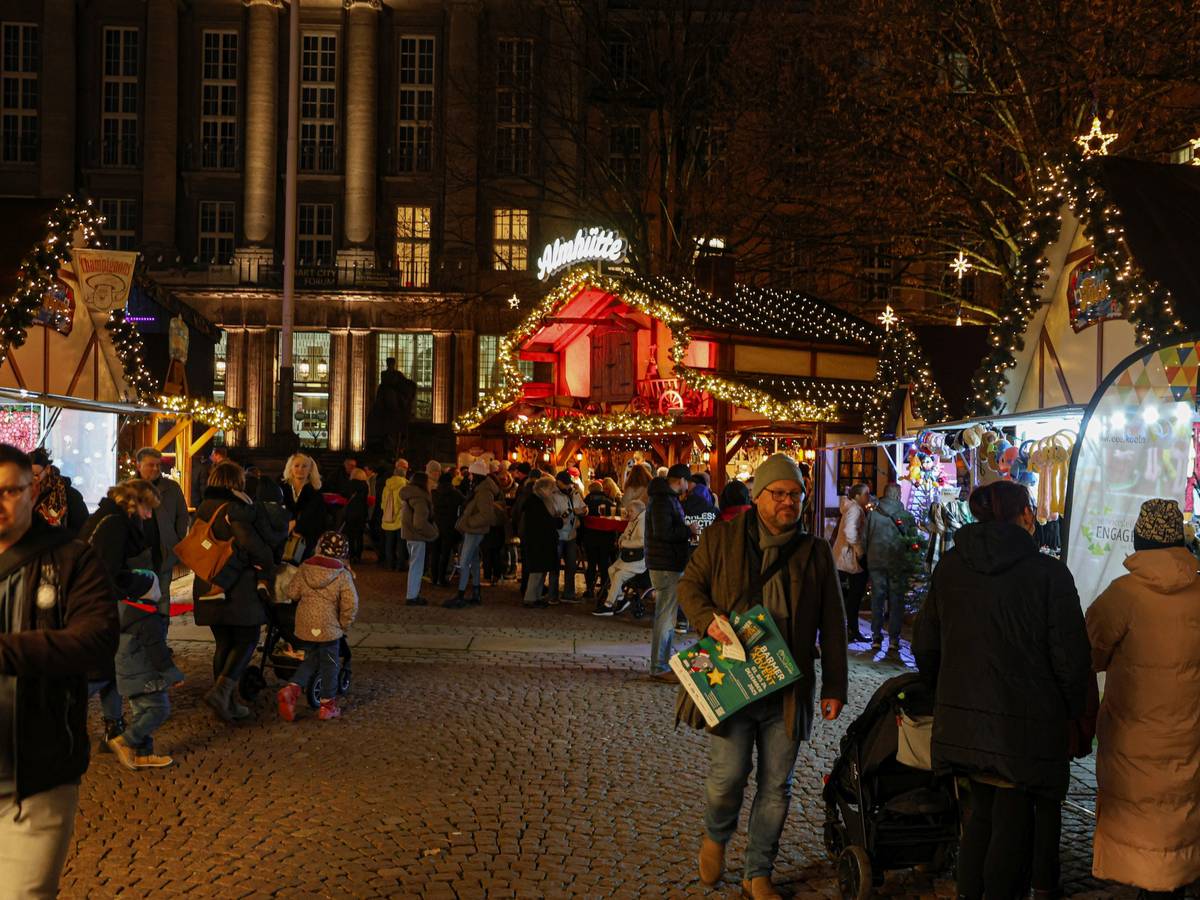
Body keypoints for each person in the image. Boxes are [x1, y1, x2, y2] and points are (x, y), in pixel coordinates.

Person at [678, 452, 848, 899]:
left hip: (788, 688)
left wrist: (835, 686)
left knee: (777, 785)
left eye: (795, 494)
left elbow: (834, 622)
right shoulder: (721, 539)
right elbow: (688, 587)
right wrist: (708, 619)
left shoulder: (814, 552)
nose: (789, 502)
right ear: (759, 497)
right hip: (734, 681)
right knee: (727, 777)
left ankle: (758, 871)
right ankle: (716, 835)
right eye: (779, 494)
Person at [913, 480, 1091, 900]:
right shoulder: (1048, 573)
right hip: (1026, 724)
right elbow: (1072, 658)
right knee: (1012, 821)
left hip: (964, 718)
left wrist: (948, 692)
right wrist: (1073, 713)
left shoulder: (951, 566)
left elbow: (925, 644)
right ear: (1024, 514)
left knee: (981, 817)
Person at [0, 443, 117, 897]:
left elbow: (97, 640)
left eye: (10, 490)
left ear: (34, 489)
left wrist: (7, 652)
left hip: (36, 779)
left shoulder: (71, 558)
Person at [1087, 499, 1200, 899]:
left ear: (1138, 538)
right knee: (1180, 813)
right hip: (1190, 733)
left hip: (1133, 735)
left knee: (1142, 819)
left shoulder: (1123, 595)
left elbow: (1090, 652)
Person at [80, 480, 179, 770]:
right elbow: (107, 572)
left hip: (99, 605)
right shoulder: (114, 524)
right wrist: (139, 585)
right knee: (100, 671)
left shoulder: (109, 519)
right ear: (134, 503)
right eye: (148, 508)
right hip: (101, 607)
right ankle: (52, 716)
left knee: (111, 669)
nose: (149, 516)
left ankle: (120, 734)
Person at [193, 461, 276, 723]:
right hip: (235, 586)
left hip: (207, 583)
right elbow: (251, 544)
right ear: (237, 482)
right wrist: (269, 561)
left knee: (224, 642)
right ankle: (222, 693)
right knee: (247, 638)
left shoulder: (205, 507)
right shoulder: (234, 508)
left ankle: (225, 703)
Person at [277, 531, 359, 722]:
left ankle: (292, 688)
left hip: (305, 625)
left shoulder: (306, 567)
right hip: (329, 626)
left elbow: (292, 592)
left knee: (313, 657)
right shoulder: (342, 574)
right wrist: (344, 624)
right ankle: (327, 705)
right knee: (330, 663)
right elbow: (351, 604)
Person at [646, 463, 696, 680]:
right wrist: (688, 530)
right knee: (666, 617)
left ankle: (661, 664)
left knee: (667, 615)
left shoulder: (665, 498)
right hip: (666, 563)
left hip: (667, 562)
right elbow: (663, 532)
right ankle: (659, 667)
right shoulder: (663, 500)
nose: (688, 487)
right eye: (687, 482)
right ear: (681, 480)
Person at [863, 483, 915, 654]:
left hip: (876, 561)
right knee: (896, 600)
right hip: (897, 563)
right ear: (898, 495)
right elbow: (912, 540)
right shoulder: (906, 516)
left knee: (877, 599)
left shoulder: (873, 515)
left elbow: (865, 538)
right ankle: (894, 639)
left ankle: (876, 637)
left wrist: (866, 556)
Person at [134, 447, 189, 598]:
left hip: (164, 551)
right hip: (137, 554)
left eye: (158, 465)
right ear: (139, 466)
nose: (156, 468)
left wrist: (177, 540)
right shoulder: (129, 489)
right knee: (139, 599)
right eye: (151, 465)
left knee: (163, 595)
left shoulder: (171, 488)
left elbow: (182, 515)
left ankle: (162, 621)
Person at [447, 461, 501, 608]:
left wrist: (469, 522)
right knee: (474, 561)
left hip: (474, 530)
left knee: (464, 562)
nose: (469, 477)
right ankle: (476, 592)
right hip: (474, 530)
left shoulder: (483, 491)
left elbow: (486, 515)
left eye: (471, 474)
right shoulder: (481, 489)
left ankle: (461, 594)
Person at [831, 483, 871, 642]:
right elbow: (850, 531)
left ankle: (849, 630)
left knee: (848, 597)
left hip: (844, 558)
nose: (868, 497)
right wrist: (860, 551)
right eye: (866, 494)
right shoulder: (855, 510)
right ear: (857, 496)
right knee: (854, 597)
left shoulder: (852, 508)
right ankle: (851, 630)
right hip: (850, 559)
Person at [592, 499, 646, 616]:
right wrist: (621, 540)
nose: (628, 514)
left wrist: (624, 543)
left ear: (637, 511)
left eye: (630, 511)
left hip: (639, 560)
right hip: (628, 557)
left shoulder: (643, 522)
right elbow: (625, 534)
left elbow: (642, 542)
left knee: (618, 575)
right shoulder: (634, 519)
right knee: (611, 570)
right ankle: (621, 598)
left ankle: (609, 605)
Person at [520, 477, 562, 609]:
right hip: (537, 542)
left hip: (543, 541)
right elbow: (544, 522)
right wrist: (558, 521)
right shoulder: (535, 502)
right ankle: (530, 598)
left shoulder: (541, 500)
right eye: (551, 489)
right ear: (543, 489)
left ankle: (536, 597)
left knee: (541, 570)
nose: (552, 492)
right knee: (536, 571)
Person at [29, 449, 89, 537]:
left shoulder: (70, 495)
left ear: (47, 469)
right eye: (28, 474)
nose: (32, 479)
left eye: (36, 475)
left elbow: (83, 530)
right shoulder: (22, 493)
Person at [400, 471, 438, 606]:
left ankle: (413, 594)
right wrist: (433, 532)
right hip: (417, 536)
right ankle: (412, 595)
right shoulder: (420, 498)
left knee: (414, 565)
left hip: (409, 535)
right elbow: (419, 522)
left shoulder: (410, 495)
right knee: (417, 567)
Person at [548, 471, 587, 604]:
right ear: (558, 482)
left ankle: (568, 594)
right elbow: (553, 514)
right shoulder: (552, 494)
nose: (567, 486)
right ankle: (552, 595)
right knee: (554, 565)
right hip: (558, 534)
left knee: (571, 565)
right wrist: (566, 513)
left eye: (568, 483)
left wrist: (582, 511)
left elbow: (584, 507)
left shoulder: (574, 493)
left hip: (572, 534)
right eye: (565, 484)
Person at [282, 452, 326, 560]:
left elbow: (316, 518)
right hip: (282, 533)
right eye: (296, 465)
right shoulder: (282, 488)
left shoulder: (315, 491)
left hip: (307, 537)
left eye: (304, 466)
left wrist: (297, 526)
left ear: (310, 469)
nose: (300, 469)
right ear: (290, 468)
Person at [582, 480, 618, 603]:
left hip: (590, 538)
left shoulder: (585, 503)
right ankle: (603, 589)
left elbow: (582, 521)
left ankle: (590, 589)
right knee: (604, 564)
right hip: (606, 538)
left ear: (590, 490)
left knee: (591, 564)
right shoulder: (609, 502)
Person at [430, 470, 465, 586]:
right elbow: (464, 503)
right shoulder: (456, 494)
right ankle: (442, 577)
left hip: (436, 525)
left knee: (435, 552)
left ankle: (434, 578)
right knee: (445, 553)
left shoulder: (434, 493)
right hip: (450, 526)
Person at [379, 461, 408, 571]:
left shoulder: (387, 485)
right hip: (400, 519)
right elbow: (403, 502)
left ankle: (390, 564)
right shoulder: (405, 485)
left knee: (389, 544)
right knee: (401, 544)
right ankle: (400, 566)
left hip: (387, 519)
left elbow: (383, 503)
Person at [342, 468, 370, 563]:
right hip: (361, 512)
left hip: (350, 512)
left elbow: (345, 495)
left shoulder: (349, 484)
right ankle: (358, 555)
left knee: (350, 535)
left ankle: (351, 554)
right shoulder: (365, 485)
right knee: (359, 535)